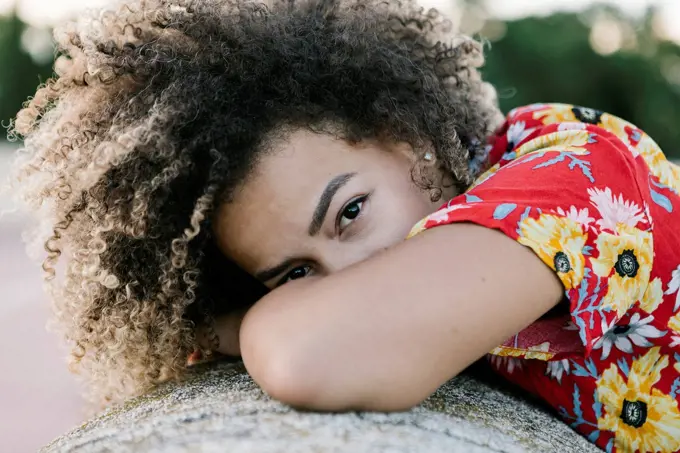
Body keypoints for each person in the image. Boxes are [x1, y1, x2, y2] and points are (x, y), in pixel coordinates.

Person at [9, 0, 680, 451]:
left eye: (349, 213)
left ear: (404, 135)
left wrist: (235, 327)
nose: (346, 282)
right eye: (296, 274)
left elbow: (315, 355)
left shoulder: (581, 174)